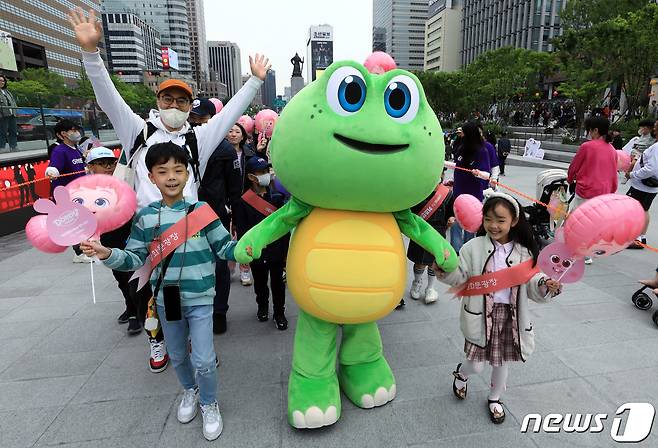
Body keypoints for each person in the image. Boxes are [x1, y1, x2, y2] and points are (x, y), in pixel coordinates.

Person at [69, 7, 268, 357]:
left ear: (190, 106)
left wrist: (254, 81)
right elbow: (109, 99)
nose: (174, 105)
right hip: (148, 226)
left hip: (189, 226)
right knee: (149, 286)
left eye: (181, 100)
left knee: (188, 289)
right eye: (167, 99)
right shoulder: (138, 130)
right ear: (158, 102)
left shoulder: (198, 138)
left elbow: (231, 115)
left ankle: (193, 343)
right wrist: (91, 54)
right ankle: (156, 338)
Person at [80, 142, 236, 441]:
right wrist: (106, 253)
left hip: (201, 298)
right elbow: (134, 257)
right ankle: (189, 392)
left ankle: (209, 402)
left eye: (178, 170)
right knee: (177, 355)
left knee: (203, 359)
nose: (172, 177)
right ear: (151, 177)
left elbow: (224, 247)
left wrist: (243, 249)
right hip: (167, 300)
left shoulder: (202, 211)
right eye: (163, 171)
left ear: (188, 174)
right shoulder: (146, 217)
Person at [435, 191, 562, 425]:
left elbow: (533, 281)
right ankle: (462, 374)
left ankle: (494, 398)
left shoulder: (525, 251)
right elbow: (461, 276)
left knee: (500, 362)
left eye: (500, 220)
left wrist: (545, 284)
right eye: (488, 219)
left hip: (510, 316)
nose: (493, 226)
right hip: (480, 315)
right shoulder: (471, 247)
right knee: (475, 364)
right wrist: (445, 270)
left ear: (514, 221)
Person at [192, 98, 242, 334]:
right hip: (187, 215)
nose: (198, 123)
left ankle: (219, 310)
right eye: (194, 119)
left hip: (215, 215)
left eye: (203, 119)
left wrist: (232, 211)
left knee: (220, 264)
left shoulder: (224, 149)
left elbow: (235, 187)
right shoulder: (185, 143)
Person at [84, 147, 145, 335]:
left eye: (111, 163)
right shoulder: (86, 188)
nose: (108, 167)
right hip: (109, 236)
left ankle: (138, 311)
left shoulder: (127, 179)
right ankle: (130, 306)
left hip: (132, 232)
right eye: (102, 164)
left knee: (135, 273)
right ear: (91, 166)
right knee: (120, 276)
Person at [233, 157, 289, 330]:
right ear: (251, 177)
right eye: (261, 172)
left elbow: (284, 225)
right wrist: (246, 252)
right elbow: (242, 228)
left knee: (279, 284)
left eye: (267, 171)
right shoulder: (243, 201)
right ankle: (262, 307)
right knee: (260, 282)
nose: (266, 175)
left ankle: (279, 312)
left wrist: (287, 250)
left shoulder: (278, 197)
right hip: (258, 250)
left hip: (277, 249)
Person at [566, 117, 618, 264]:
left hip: (586, 189)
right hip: (604, 192)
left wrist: (570, 179)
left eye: (589, 130)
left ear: (595, 130)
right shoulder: (612, 150)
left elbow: (574, 167)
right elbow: (613, 172)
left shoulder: (587, 147)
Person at [407, 169, 455, 304]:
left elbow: (451, 212)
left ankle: (430, 288)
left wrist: (451, 218)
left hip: (438, 231)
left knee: (434, 262)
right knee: (420, 261)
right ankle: (417, 282)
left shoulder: (447, 194)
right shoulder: (419, 192)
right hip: (421, 231)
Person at [46, 119, 90, 263]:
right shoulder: (59, 151)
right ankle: (79, 253)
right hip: (66, 195)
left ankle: (85, 249)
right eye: (72, 130)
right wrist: (51, 172)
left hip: (79, 193)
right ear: (62, 134)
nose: (76, 132)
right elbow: (54, 168)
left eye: (76, 129)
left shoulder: (75, 149)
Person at [450, 122, 491, 253]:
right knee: (456, 224)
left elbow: (486, 174)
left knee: (470, 225)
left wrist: (478, 173)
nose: (461, 135)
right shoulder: (461, 148)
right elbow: (457, 167)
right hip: (458, 192)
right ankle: (456, 253)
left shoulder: (482, 151)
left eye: (464, 133)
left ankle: (468, 252)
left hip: (473, 195)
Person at [226, 122, 256, 286]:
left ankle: (245, 270)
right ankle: (230, 268)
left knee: (245, 235)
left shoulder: (249, 155)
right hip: (227, 202)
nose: (233, 134)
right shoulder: (220, 153)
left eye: (237, 131)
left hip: (245, 201)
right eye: (230, 131)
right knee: (228, 237)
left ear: (243, 135)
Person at [626, 119, 658, 249]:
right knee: (644, 209)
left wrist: (633, 174)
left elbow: (651, 168)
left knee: (635, 210)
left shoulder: (656, 147)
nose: (654, 129)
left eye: (656, 127)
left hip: (643, 184)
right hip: (651, 185)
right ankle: (640, 237)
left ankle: (635, 237)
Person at [0, 74, 18, 152]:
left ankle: (13, 147)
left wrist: (15, 111)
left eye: (3, 81)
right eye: (0, 80)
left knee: (13, 131)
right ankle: (2, 147)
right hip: (3, 115)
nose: (2, 82)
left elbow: (13, 102)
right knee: (2, 132)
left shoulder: (7, 91)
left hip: (12, 114)